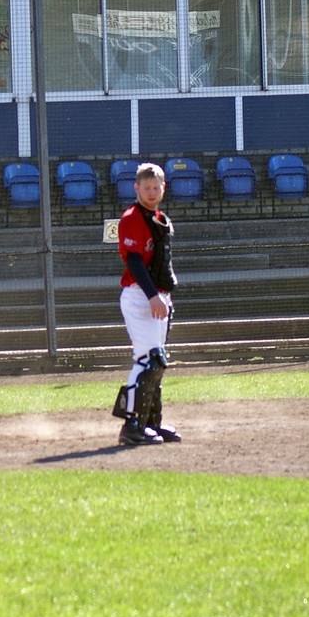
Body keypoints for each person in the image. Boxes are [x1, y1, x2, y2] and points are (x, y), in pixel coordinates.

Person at [113, 162, 181, 446]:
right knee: (148, 360)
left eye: (156, 187)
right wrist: (153, 296)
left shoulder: (159, 218)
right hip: (139, 295)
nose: (151, 192)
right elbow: (134, 261)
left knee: (157, 361)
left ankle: (152, 423)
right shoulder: (131, 218)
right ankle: (132, 426)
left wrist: (163, 296)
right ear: (136, 188)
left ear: (163, 188)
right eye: (146, 188)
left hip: (156, 295)